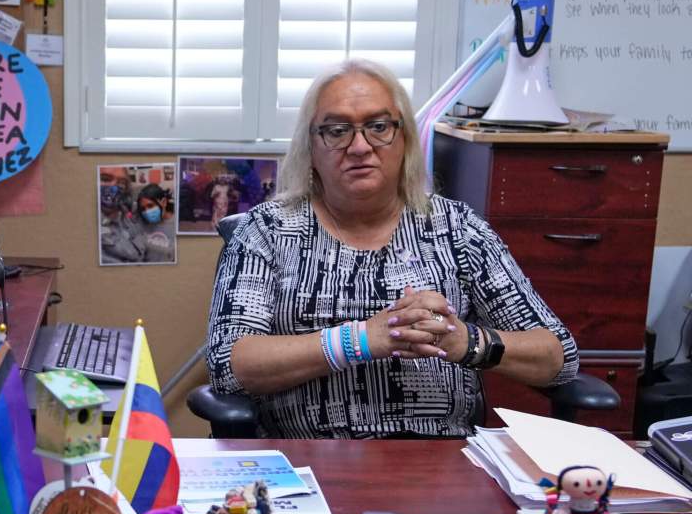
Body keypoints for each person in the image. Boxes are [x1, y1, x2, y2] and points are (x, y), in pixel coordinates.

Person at [206, 59, 578, 438]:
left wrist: (467, 341)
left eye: (379, 127)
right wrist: (362, 339)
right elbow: (227, 364)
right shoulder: (268, 230)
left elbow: (558, 356)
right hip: (312, 460)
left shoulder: (456, 229)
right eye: (337, 130)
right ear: (311, 148)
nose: (360, 146)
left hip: (444, 462)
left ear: (405, 141)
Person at [134, 184, 175, 263]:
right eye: (143, 208)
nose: (147, 211)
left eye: (150, 206)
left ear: (164, 202)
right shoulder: (142, 222)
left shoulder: (176, 225)